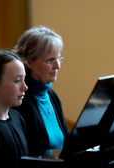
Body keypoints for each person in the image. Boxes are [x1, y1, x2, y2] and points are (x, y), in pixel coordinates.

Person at [12, 26, 70, 155]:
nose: (58, 66)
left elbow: (68, 142)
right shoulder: (20, 99)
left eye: (58, 59)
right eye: (50, 61)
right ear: (28, 61)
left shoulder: (51, 95)